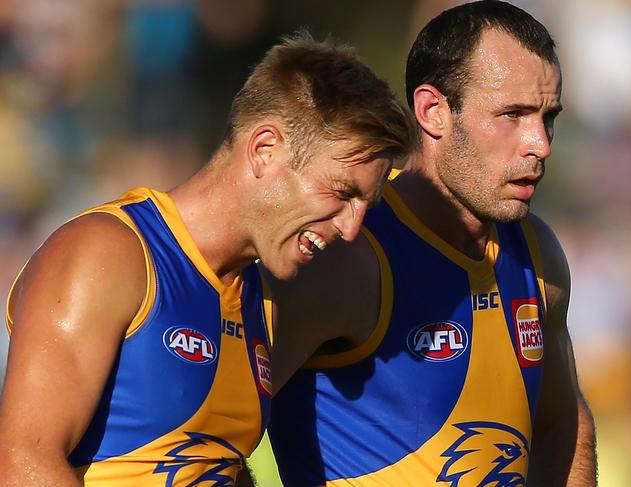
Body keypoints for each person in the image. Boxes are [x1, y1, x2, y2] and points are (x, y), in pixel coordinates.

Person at [0, 33, 417, 486]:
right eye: (342, 192)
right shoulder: (109, 253)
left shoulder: (259, 297)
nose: (351, 228)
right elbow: (24, 464)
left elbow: (208, 464)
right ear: (264, 149)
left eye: (364, 206)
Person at [262, 2, 597, 486]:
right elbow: (212, 429)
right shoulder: (348, 255)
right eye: (513, 115)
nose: (540, 144)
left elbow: (563, 426)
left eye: (548, 117)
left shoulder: (538, 254)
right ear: (433, 111)